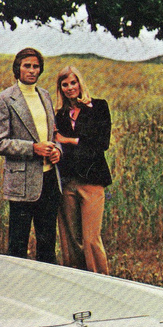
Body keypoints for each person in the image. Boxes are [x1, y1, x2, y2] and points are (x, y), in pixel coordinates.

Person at [0, 47, 62, 263]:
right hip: (21, 182)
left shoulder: (45, 95)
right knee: (17, 246)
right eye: (27, 66)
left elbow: (53, 134)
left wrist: (57, 150)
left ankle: (46, 282)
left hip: (49, 179)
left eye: (36, 66)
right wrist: (33, 148)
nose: (31, 70)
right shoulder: (5, 99)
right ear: (17, 68)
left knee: (47, 246)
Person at [53, 65, 112, 274]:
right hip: (67, 181)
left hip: (92, 180)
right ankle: (75, 279)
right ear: (60, 88)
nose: (70, 88)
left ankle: (101, 280)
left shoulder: (98, 107)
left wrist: (68, 140)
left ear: (80, 83)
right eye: (65, 84)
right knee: (70, 238)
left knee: (90, 238)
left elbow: (101, 143)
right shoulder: (59, 114)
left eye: (73, 82)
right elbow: (57, 143)